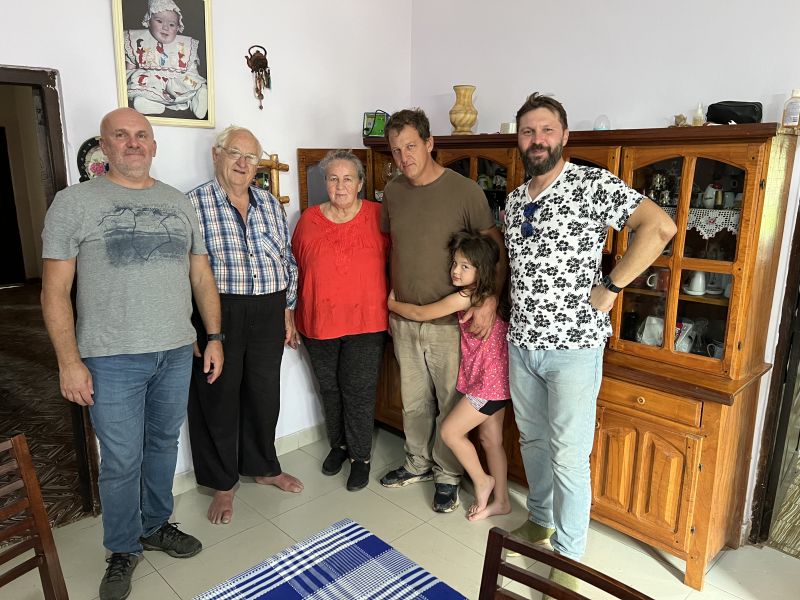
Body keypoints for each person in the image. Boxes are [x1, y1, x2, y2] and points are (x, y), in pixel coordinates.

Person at [41, 107, 223, 600]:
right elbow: (54, 291)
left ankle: (155, 524)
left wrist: (213, 336)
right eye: (121, 135)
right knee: (122, 459)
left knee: (162, 444)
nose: (133, 143)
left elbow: (200, 274)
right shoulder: (74, 202)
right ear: (105, 146)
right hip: (110, 358)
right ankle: (122, 547)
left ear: (153, 145)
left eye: (141, 135)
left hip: (175, 351)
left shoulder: (177, 202)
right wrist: (68, 361)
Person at [505, 93, 676, 594]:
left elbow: (659, 226)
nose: (537, 139)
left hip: (573, 348)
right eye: (528, 131)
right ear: (520, 140)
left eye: (546, 130)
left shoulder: (590, 184)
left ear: (564, 136)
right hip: (522, 343)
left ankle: (569, 558)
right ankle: (540, 520)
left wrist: (613, 286)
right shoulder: (514, 200)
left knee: (568, 455)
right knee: (533, 442)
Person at [379, 108, 506, 513]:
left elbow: (494, 251)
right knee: (413, 401)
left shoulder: (465, 191)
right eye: (396, 150)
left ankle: (448, 474)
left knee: (450, 402)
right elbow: (392, 249)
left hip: (452, 321)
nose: (404, 157)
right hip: (404, 317)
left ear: (430, 143)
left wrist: (489, 299)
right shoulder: (393, 192)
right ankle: (417, 462)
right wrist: (391, 307)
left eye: (411, 147)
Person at [186, 125, 302, 527]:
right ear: (216, 155)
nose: (242, 163)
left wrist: (288, 309)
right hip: (219, 312)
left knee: (264, 393)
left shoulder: (269, 203)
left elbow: (286, 260)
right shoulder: (193, 203)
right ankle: (222, 482)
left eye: (250, 157)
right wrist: (190, 325)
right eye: (235, 153)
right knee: (217, 395)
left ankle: (264, 466)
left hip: (269, 309)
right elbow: (181, 271)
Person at [388, 231, 511, 521]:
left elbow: (421, 314)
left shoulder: (466, 297)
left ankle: (482, 481)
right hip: (498, 381)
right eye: (455, 263)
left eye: (465, 266)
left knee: (450, 432)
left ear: (482, 270)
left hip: (487, 386)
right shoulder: (488, 296)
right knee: (491, 440)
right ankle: (502, 502)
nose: (456, 271)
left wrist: (392, 304)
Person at [291, 150, 389, 491]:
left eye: (348, 178)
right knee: (330, 389)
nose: (340, 185)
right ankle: (339, 446)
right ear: (325, 183)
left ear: (360, 183)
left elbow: (399, 260)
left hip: (367, 322)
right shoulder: (308, 220)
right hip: (318, 322)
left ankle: (360, 457)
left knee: (358, 391)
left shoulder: (379, 216)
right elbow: (293, 269)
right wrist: (288, 315)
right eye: (333, 178)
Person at [124, 0, 208, 119]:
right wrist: (132, 76)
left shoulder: (184, 45)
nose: (165, 27)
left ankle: (197, 99)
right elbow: (129, 69)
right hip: (152, 84)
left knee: (192, 82)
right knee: (138, 79)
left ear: (178, 27)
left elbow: (192, 71)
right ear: (148, 21)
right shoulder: (138, 40)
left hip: (176, 83)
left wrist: (192, 81)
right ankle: (146, 102)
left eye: (172, 25)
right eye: (159, 21)